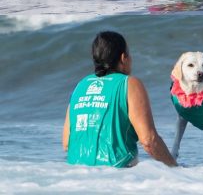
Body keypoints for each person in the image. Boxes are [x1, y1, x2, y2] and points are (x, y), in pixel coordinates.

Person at [62, 31, 177, 168]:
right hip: (116, 174)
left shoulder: (80, 86)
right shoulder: (129, 84)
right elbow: (149, 141)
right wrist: (176, 169)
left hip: (75, 172)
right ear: (124, 58)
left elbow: (66, 143)